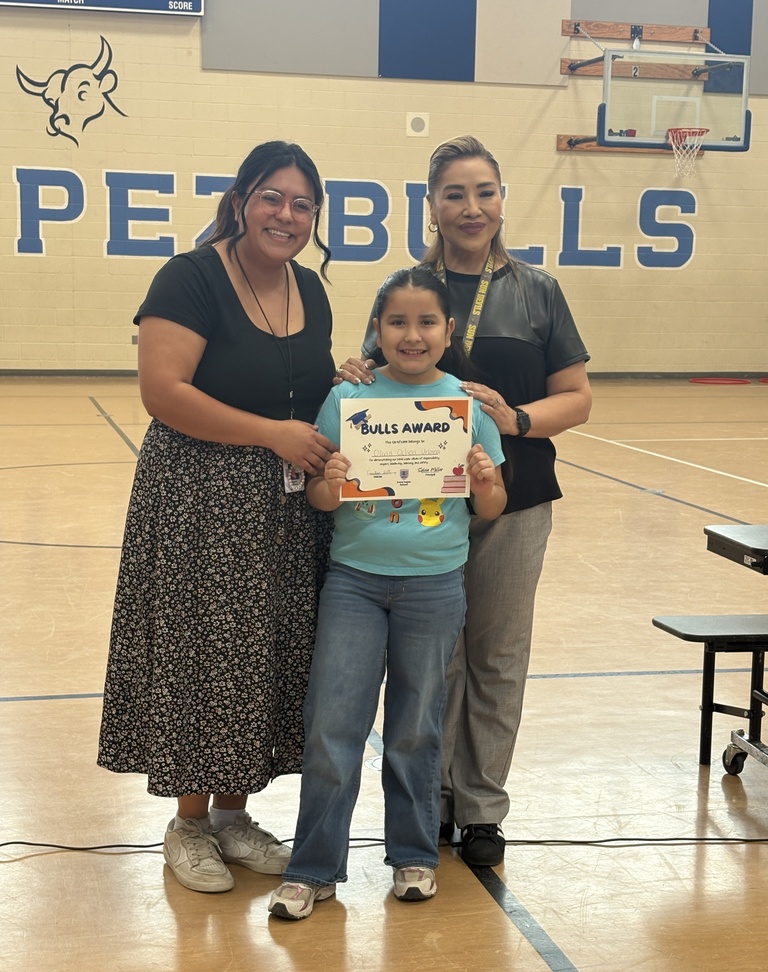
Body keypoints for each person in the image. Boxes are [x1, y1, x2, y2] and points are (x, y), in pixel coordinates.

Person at [339, 135, 592, 868]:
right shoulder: (407, 288)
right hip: (425, 506)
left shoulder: (537, 289)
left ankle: (481, 807)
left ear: (502, 200)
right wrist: (354, 371)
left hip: (515, 497)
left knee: (496, 653)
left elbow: (577, 400)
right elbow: (376, 380)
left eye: (484, 191)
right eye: (454, 193)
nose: (471, 207)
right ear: (432, 206)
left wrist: (515, 419)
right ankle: (432, 802)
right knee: (434, 658)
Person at [97, 140, 338, 893]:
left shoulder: (313, 288)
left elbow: (307, 386)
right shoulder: (191, 276)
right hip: (199, 497)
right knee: (201, 654)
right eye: (272, 197)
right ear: (241, 202)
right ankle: (189, 823)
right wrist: (271, 435)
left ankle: (234, 818)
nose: (286, 214)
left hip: (287, 511)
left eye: (302, 204)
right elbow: (163, 392)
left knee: (262, 656)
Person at [267, 267, 507, 920]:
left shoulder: (467, 405)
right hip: (354, 585)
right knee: (333, 725)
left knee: (415, 728)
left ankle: (413, 856)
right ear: (377, 330)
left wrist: (484, 479)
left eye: (427, 321)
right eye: (396, 321)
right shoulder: (349, 399)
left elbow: (492, 506)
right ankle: (312, 868)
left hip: (434, 589)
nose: (412, 334)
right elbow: (318, 497)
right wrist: (335, 484)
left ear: (448, 331)